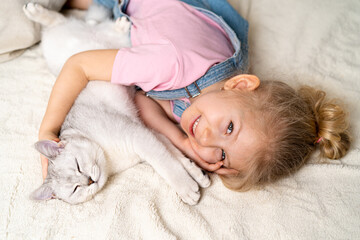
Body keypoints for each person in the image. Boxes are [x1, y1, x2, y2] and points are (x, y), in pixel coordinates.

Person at [39, 0, 350, 191]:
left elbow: (142, 102)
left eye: (223, 155)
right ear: (241, 85)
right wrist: (48, 131)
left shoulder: (219, 99)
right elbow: (78, 66)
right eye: (229, 128)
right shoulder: (171, 64)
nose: (207, 138)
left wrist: (182, 141)